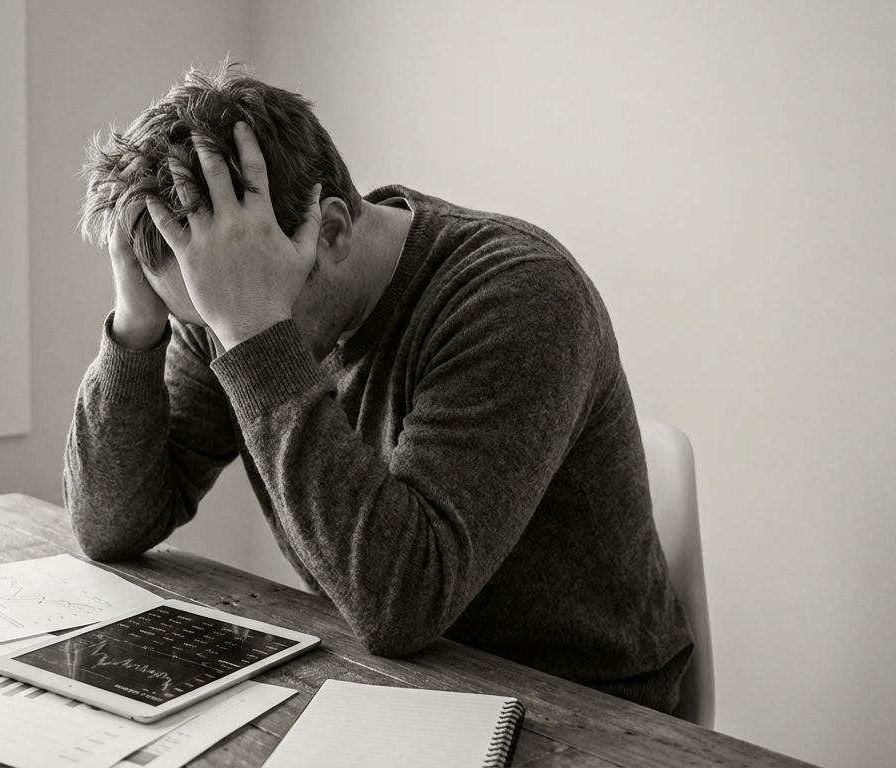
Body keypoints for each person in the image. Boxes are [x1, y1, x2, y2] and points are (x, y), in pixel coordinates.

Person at [65, 63, 694, 713]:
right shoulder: (222, 298)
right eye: (205, 319)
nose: (220, 338)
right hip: (384, 679)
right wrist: (138, 327)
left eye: (232, 315)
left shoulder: (519, 295)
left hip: (581, 704)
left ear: (332, 230)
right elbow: (110, 525)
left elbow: (403, 603)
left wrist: (252, 330)